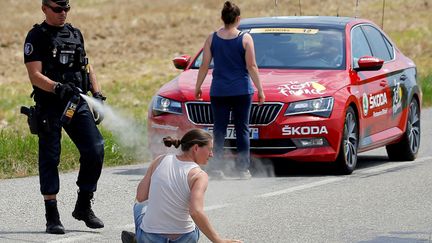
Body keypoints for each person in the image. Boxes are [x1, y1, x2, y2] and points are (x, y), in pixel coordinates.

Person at [23, 0, 106, 234]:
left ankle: (83, 205)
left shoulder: (75, 33)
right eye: (57, 9)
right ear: (44, 8)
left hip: (76, 103)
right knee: (50, 158)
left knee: (96, 148)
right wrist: (57, 87)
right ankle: (52, 216)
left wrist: (97, 94)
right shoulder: (36, 36)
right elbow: (35, 75)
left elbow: (87, 67)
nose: (63, 14)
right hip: (50, 106)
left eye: (66, 9)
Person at [121, 129, 242, 243]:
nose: (211, 154)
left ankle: (137, 239)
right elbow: (196, 212)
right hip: (185, 238)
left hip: (151, 237)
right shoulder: (199, 175)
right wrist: (218, 240)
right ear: (196, 148)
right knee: (193, 222)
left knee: (139, 207)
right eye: (209, 149)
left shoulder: (160, 160)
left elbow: (141, 196)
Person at [195, 1, 265, 179]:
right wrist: (260, 90)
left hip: (219, 91)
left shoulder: (212, 38)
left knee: (219, 130)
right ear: (238, 19)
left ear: (222, 18)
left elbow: (204, 66)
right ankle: (242, 169)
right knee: (242, 129)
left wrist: (198, 87)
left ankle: (216, 168)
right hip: (242, 90)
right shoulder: (245, 38)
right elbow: (252, 66)